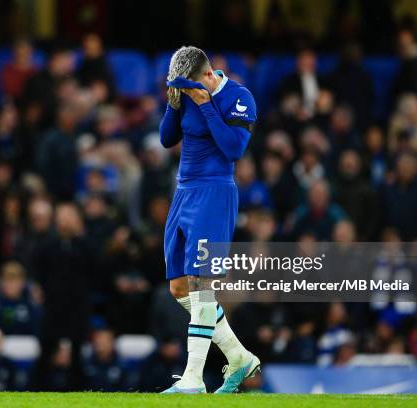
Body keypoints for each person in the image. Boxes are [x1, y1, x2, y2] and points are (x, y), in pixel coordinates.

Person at [158, 46, 260, 394]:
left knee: (203, 285)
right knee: (179, 288)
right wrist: (174, 102)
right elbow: (167, 138)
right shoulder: (184, 94)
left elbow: (234, 149)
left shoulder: (238, 97)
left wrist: (205, 104)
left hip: (214, 193)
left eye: (186, 85)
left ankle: (193, 379)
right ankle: (239, 356)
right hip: (184, 191)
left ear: (206, 74)